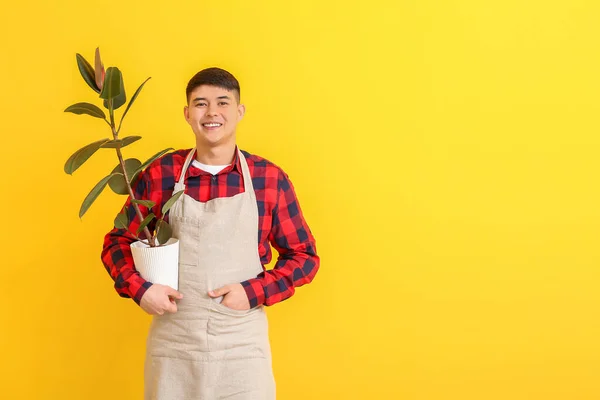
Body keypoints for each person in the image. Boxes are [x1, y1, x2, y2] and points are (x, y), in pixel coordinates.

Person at [101, 67, 320, 399]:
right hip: (175, 343)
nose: (212, 112)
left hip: (241, 347)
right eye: (200, 104)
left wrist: (255, 292)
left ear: (239, 111)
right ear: (188, 114)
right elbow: (118, 241)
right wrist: (141, 290)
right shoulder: (162, 174)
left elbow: (304, 257)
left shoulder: (269, 179)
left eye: (223, 102)